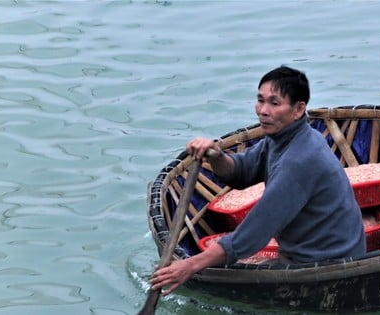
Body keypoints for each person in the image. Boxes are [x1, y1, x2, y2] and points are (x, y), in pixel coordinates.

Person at [150, 66, 366, 295]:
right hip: (308, 252)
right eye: (260, 100)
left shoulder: (299, 162)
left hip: (328, 266)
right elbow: (241, 171)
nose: (263, 111)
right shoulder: (283, 138)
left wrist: (189, 265)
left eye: (274, 103)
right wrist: (216, 155)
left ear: (298, 109)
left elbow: (254, 233)